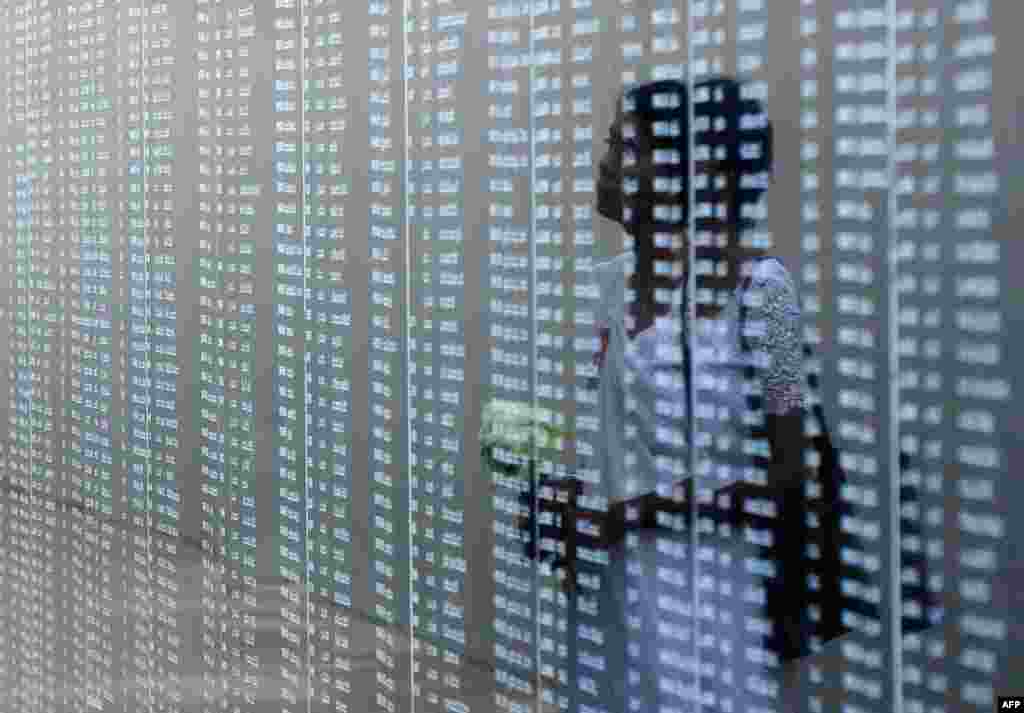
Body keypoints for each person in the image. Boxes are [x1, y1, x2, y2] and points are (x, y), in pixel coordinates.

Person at [556, 76, 811, 713]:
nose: (607, 161)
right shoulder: (607, 288)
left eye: (627, 145)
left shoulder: (763, 293)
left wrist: (635, 514)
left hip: (711, 607)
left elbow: (788, 471)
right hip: (612, 604)